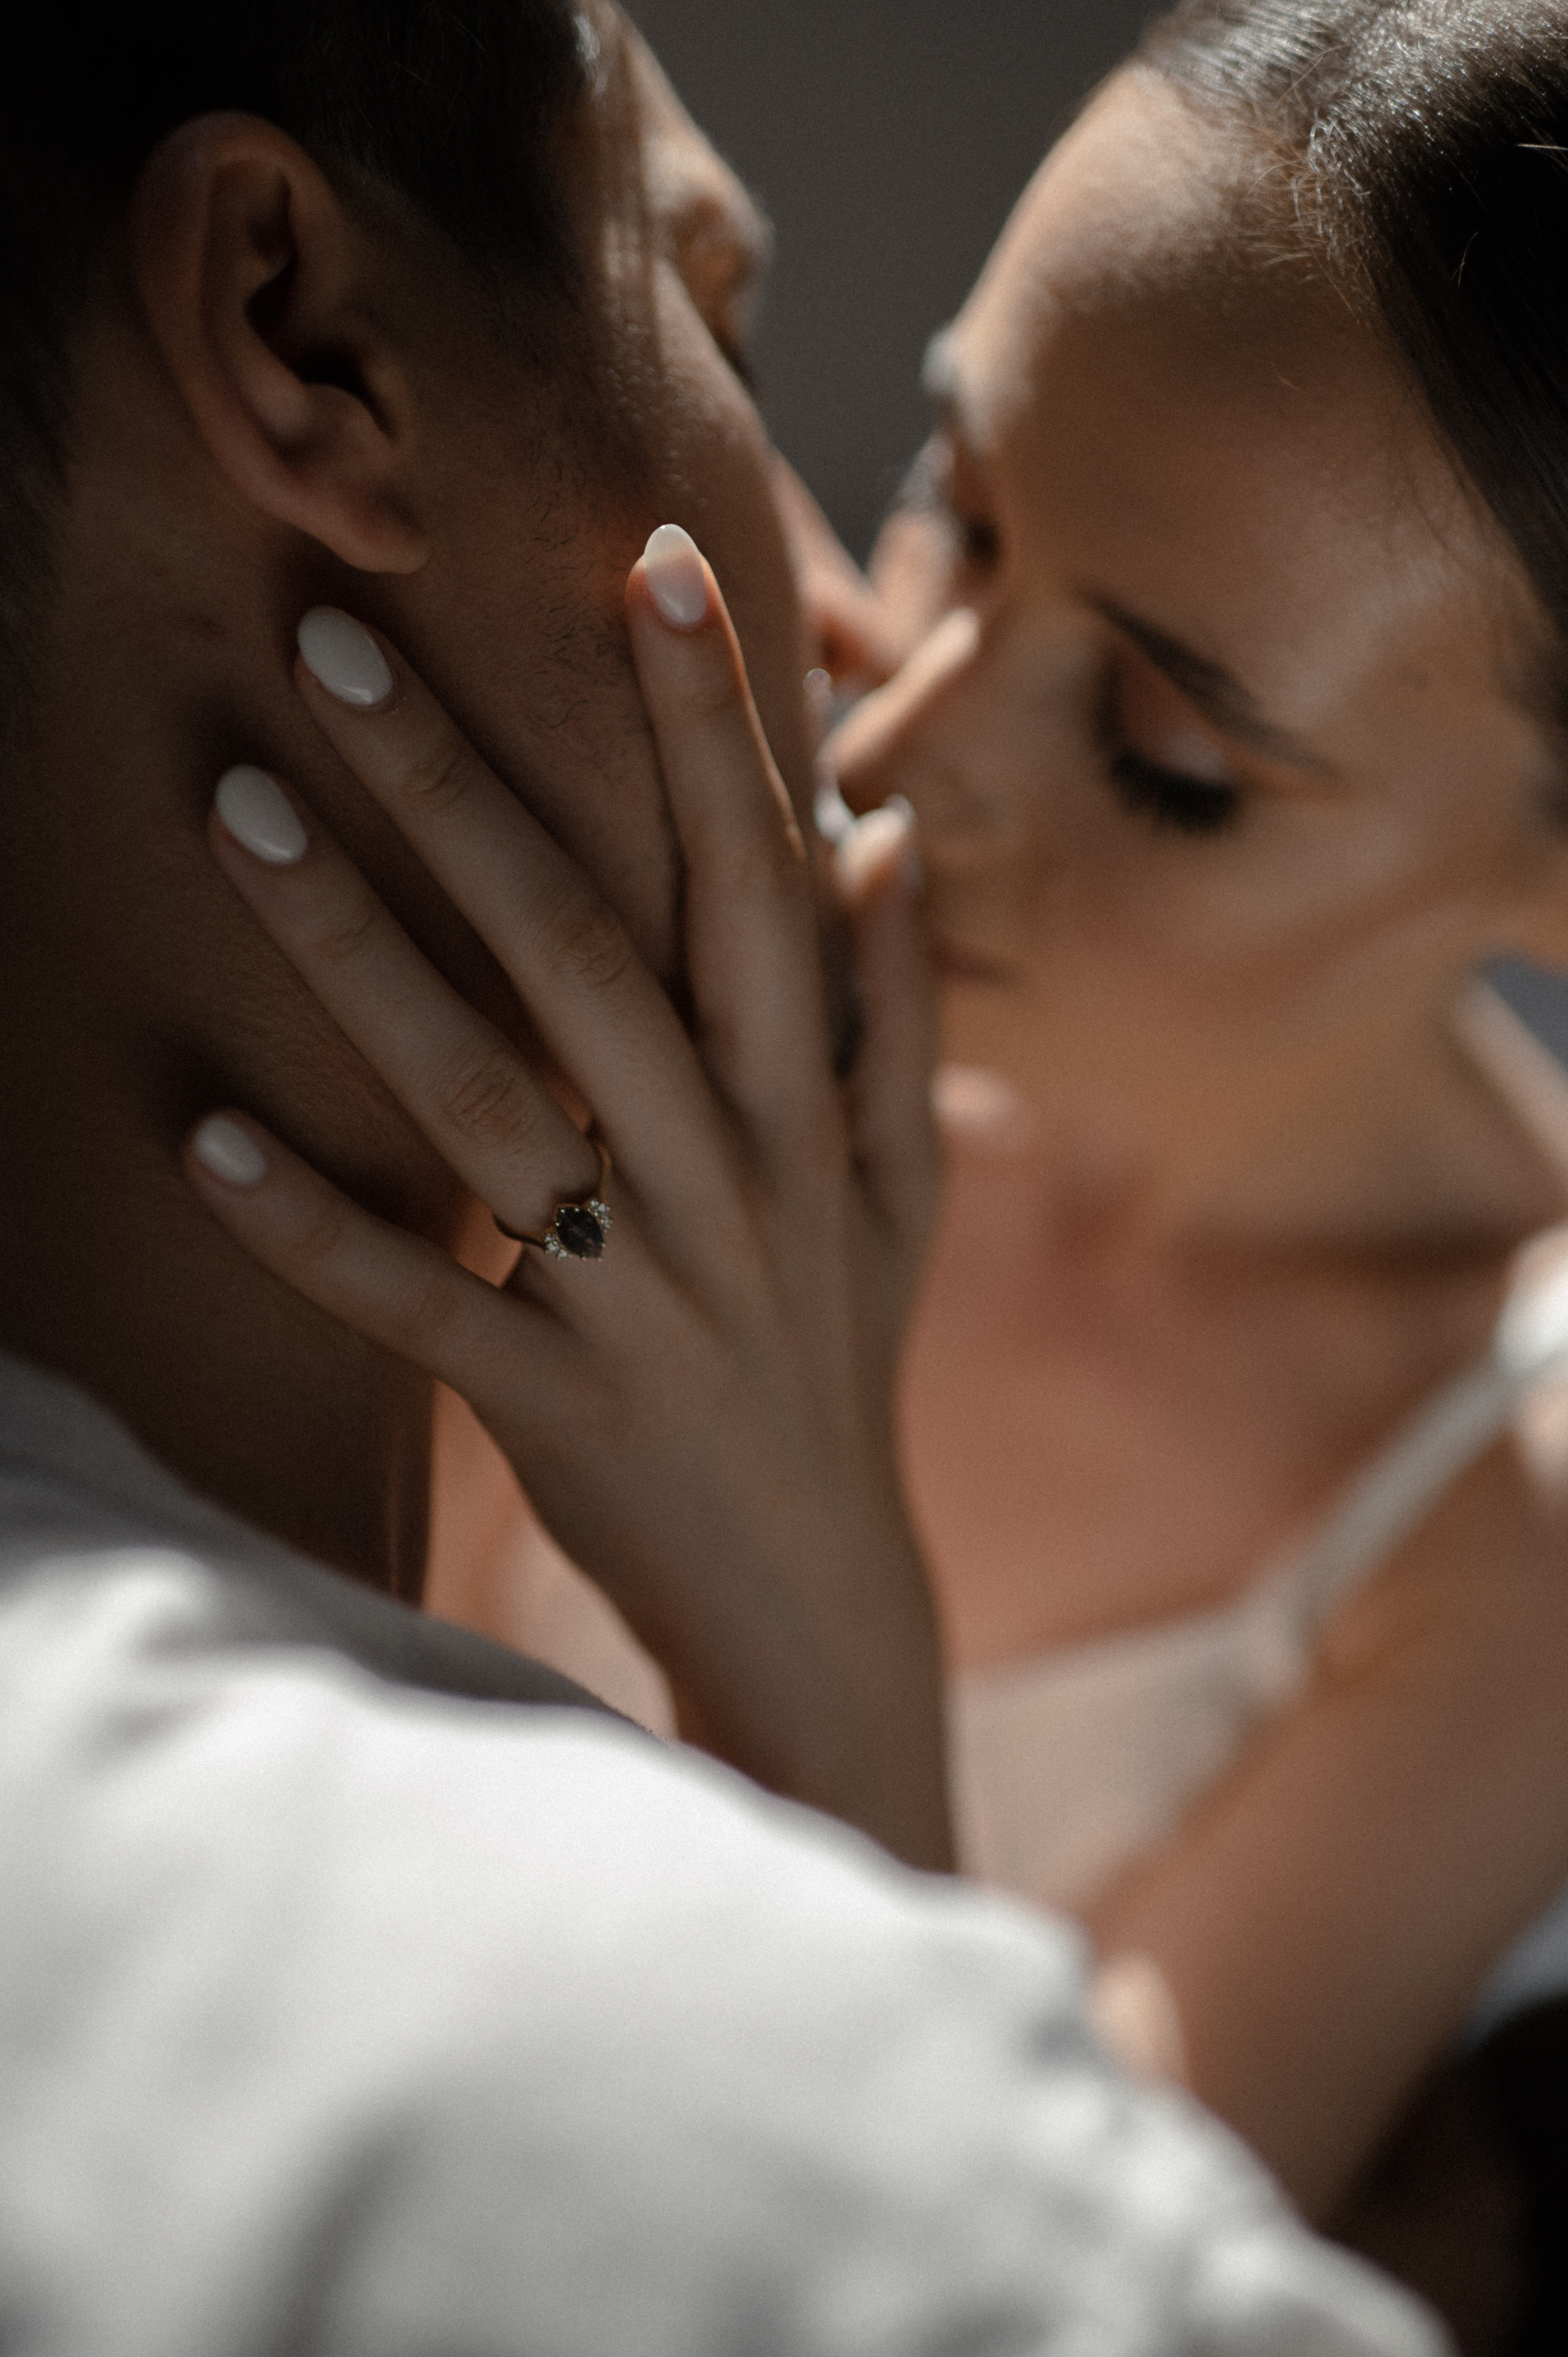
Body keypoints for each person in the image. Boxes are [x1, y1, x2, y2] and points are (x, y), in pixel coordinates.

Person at [0, 0, 1444, 2349]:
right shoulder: (838, 2188)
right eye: (722, 322)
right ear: (304, 335)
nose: (870, 662)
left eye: (1172, 745)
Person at [422, 0, 1568, 2331]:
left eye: (1161, 752)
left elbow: (1002, 2283)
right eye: (962, 501)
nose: (901, 745)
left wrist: (818, 1631)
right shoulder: (675, 895)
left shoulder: (1519, 1501)